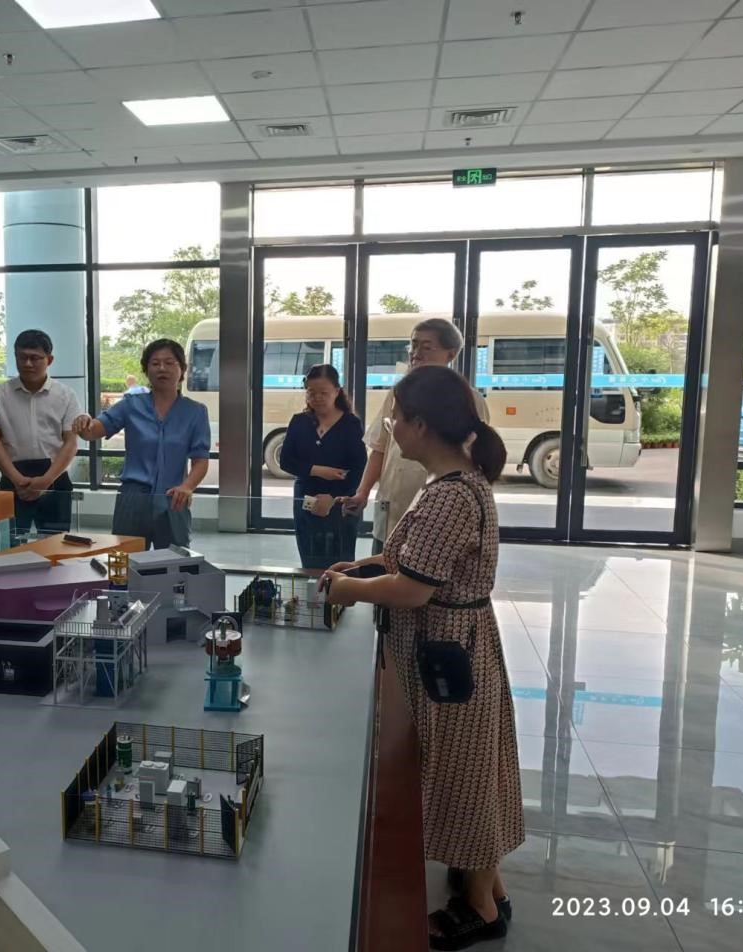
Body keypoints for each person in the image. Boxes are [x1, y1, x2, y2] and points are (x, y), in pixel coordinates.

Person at [319, 365, 522, 951]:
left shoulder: (450, 496)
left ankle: (481, 909)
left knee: (462, 773)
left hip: (448, 659)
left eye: (396, 418)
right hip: (454, 647)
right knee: (470, 767)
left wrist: (348, 589)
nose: (391, 428)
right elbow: (408, 560)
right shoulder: (451, 484)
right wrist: (365, 566)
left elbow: (413, 589)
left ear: (422, 425)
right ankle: (485, 883)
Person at [341, 318, 491, 553]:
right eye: (413, 344)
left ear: (450, 354)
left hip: (437, 514)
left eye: (426, 347)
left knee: (420, 566)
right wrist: (362, 493)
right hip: (391, 507)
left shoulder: (468, 400)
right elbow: (380, 447)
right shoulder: (398, 393)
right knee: (381, 565)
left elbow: (474, 460)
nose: (416, 353)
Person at [73, 339, 209, 549]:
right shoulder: (131, 405)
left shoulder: (195, 412)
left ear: (182, 369)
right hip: (133, 497)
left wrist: (187, 487)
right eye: (155, 363)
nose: (162, 368)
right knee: (126, 560)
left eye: (169, 362)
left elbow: (200, 460)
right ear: (146, 370)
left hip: (174, 498)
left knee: (174, 561)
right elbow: (95, 430)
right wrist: (84, 422)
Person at [0, 329, 80, 537]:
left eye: (35, 358)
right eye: (22, 357)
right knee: (9, 544)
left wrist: (46, 480)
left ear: (49, 360)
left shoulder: (66, 395)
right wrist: (18, 480)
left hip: (55, 477)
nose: (27, 364)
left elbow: (70, 442)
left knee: (55, 544)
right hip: (12, 476)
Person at [278, 364, 367, 569]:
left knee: (340, 560)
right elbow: (286, 461)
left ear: (337, 391)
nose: (317, 398)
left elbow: (359, 468)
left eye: (323, 393)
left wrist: (333, 497)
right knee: (310, 556)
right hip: (306, 498)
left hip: (340, 500)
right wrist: (316, 470)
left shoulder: (350, 424)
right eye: (311, 393)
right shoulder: (299, 422)